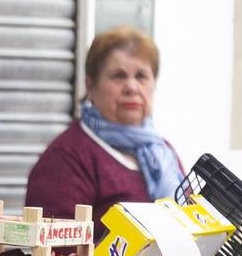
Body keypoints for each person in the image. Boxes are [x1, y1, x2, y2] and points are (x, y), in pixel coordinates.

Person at [24, 27, 183, 226]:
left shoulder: (163, 152)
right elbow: (56, 249)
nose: (132, 87)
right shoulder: (66, 158)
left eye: (141, 76)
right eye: (118, 76)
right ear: (90, 87)